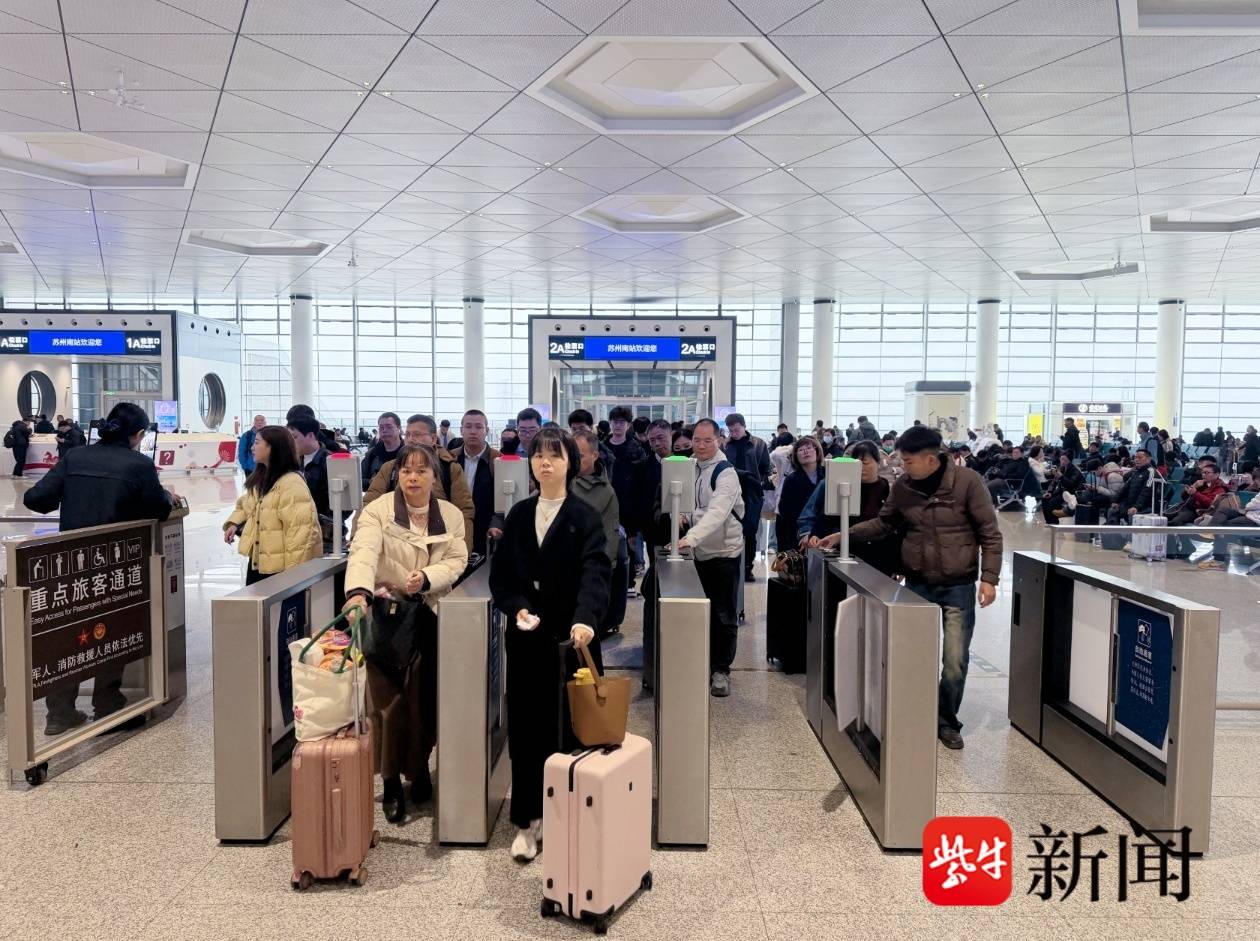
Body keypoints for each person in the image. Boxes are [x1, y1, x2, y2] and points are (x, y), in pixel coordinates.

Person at [489, 428, 611, 862]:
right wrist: (517, 607)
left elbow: (597, 571)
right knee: (525, 732)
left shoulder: (585, 516)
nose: (545, 463)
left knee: (569, 731)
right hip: (527, 640)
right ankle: (527, 821)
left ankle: (568, 818)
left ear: (570, 464)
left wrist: (586, 618)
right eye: (538, 455)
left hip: (570, 640)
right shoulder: (519, 514)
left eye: (555, 456)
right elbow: (502, 577)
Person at [839, 426, 1001, 750]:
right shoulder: (904, 487)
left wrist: (989, 578)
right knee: (912, 657)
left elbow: (990, 532)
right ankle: (913, 715)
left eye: (908, 460)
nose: (903, 466)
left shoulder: (968, 483)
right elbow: (885, 523)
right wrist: (844, 534)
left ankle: (946, 721)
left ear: (931, 459)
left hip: (957, 584)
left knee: (954, 662)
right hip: (918, 583)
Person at [24, 403, 177, 736]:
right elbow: (159, 509)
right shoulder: (139, 464)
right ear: (139, 434)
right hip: (115, 563)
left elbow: (36, 499)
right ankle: (107, 705)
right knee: (111, 629)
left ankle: (59, 713)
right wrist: (165, 495)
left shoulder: (75, 457)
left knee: (69, 633)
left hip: (71, 565)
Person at [341, 444, 468, 823]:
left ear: (434, 477)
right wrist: (358, 592)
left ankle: (419, 767)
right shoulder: (378, 512)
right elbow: (363, 551)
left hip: (428, 616)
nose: (413, 478)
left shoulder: (450, 515)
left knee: (423, 700)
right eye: (407, 471)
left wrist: (427, 577)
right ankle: (391, 779)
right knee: (387, 703)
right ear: (397, 474)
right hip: (385, 617)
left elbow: (457, 559)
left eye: (422, 471)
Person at [677, 418, 745, 698]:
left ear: (719, 440)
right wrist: (682, 518)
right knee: (698, 614)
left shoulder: (726, 473)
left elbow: (717, 512)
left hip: (723, 553)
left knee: (723, 615)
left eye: (708, 440)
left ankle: (721, 670)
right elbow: (686, 502)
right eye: (697, 440)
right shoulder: (690, 466)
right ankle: (701, 663)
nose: (701, 445)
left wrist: (690, 536)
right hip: (697, 554)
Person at [223, 426, 321, 584]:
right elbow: (247, 503)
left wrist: (292, 577)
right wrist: (235, 522)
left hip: (280, 570)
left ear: (273, 448)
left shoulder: (291, 484)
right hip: (260, 563)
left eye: (257, 442)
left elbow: (300, 535)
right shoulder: (262, 478)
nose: (252, 447)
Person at [362, 415, 475, 551]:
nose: (410, 439)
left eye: (416, 435)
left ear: (433, 439)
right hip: (395, 548)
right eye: (407, 435)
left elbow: (464, 510)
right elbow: (369, 505)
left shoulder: (449, 468)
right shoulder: (390, 468)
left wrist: (463, 552)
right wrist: (359, 540)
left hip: (438, 547)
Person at [572, 430, 624, 635]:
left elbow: (608, 537)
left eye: (580, 455)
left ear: (595, 455)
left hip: (586, 569)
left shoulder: (602, 490)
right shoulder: (562, 479)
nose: (574, 460)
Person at [286, 414, 349, 553]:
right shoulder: (292, 463)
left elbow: (345, 506)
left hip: (326, 539)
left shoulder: (333, 463)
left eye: (294, 437)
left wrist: (319, 519)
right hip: (298, 535)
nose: (290, 443)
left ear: (310, 435)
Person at [722, 412, 772, 582]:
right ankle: (732, 566)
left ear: (744, 426)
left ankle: (747, 567)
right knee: (729, 529)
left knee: (750, 531)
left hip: (752, 492)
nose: (733, 433)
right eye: (730, 430)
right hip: (730, 491)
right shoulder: (725, 445)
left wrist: (760, 482)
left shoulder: (758, 444)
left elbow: (766, 467)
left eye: (736, 429)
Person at [449, 409, 500, 555]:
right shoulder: (449, 458)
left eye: (478, 427)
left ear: (487, 431)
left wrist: (496, 524)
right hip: (453, 527)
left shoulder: (497, 460)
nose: (473, 432)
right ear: (461, 430)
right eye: (468, 426)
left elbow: (502, 499)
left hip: (486, 529)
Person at [606, 405, 647, 560]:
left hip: (630, 506)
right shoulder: (601, 447)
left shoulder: (636, 449)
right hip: (606, 503)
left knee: (630, 550)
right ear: (610, 423)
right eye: (615, 422)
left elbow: (642, 479)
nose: (618, 425)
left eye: (622, 422)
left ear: (628, 425)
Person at [774, 436, 822, 555]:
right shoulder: (791, 479)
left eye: (809, 448)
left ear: (817, 451)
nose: (805, 452)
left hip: (822, 531)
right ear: (795, 455)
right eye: (800, 450)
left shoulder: (827, 474)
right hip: (796, 532)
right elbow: (785, 510)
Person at [360, 412, 403, 490]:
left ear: (398, 428)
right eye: (381, 427)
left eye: (389, 427)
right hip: (376, 495)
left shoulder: (408, 453)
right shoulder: (372, 454)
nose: (384, 430)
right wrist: (371, 482)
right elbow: (358, 479)